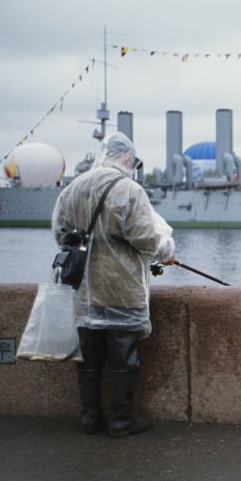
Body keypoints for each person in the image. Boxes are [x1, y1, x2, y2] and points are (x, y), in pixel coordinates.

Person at [51, 132, 176, 437]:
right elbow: (147, 239)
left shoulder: (73, 188)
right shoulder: (129, 190)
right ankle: (121, 422)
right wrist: (167, 252)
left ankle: (90, 420)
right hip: (121, 288)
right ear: (128, 159)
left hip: (84, 289)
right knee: (123, 359)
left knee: (89, 359)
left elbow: (59, 233)